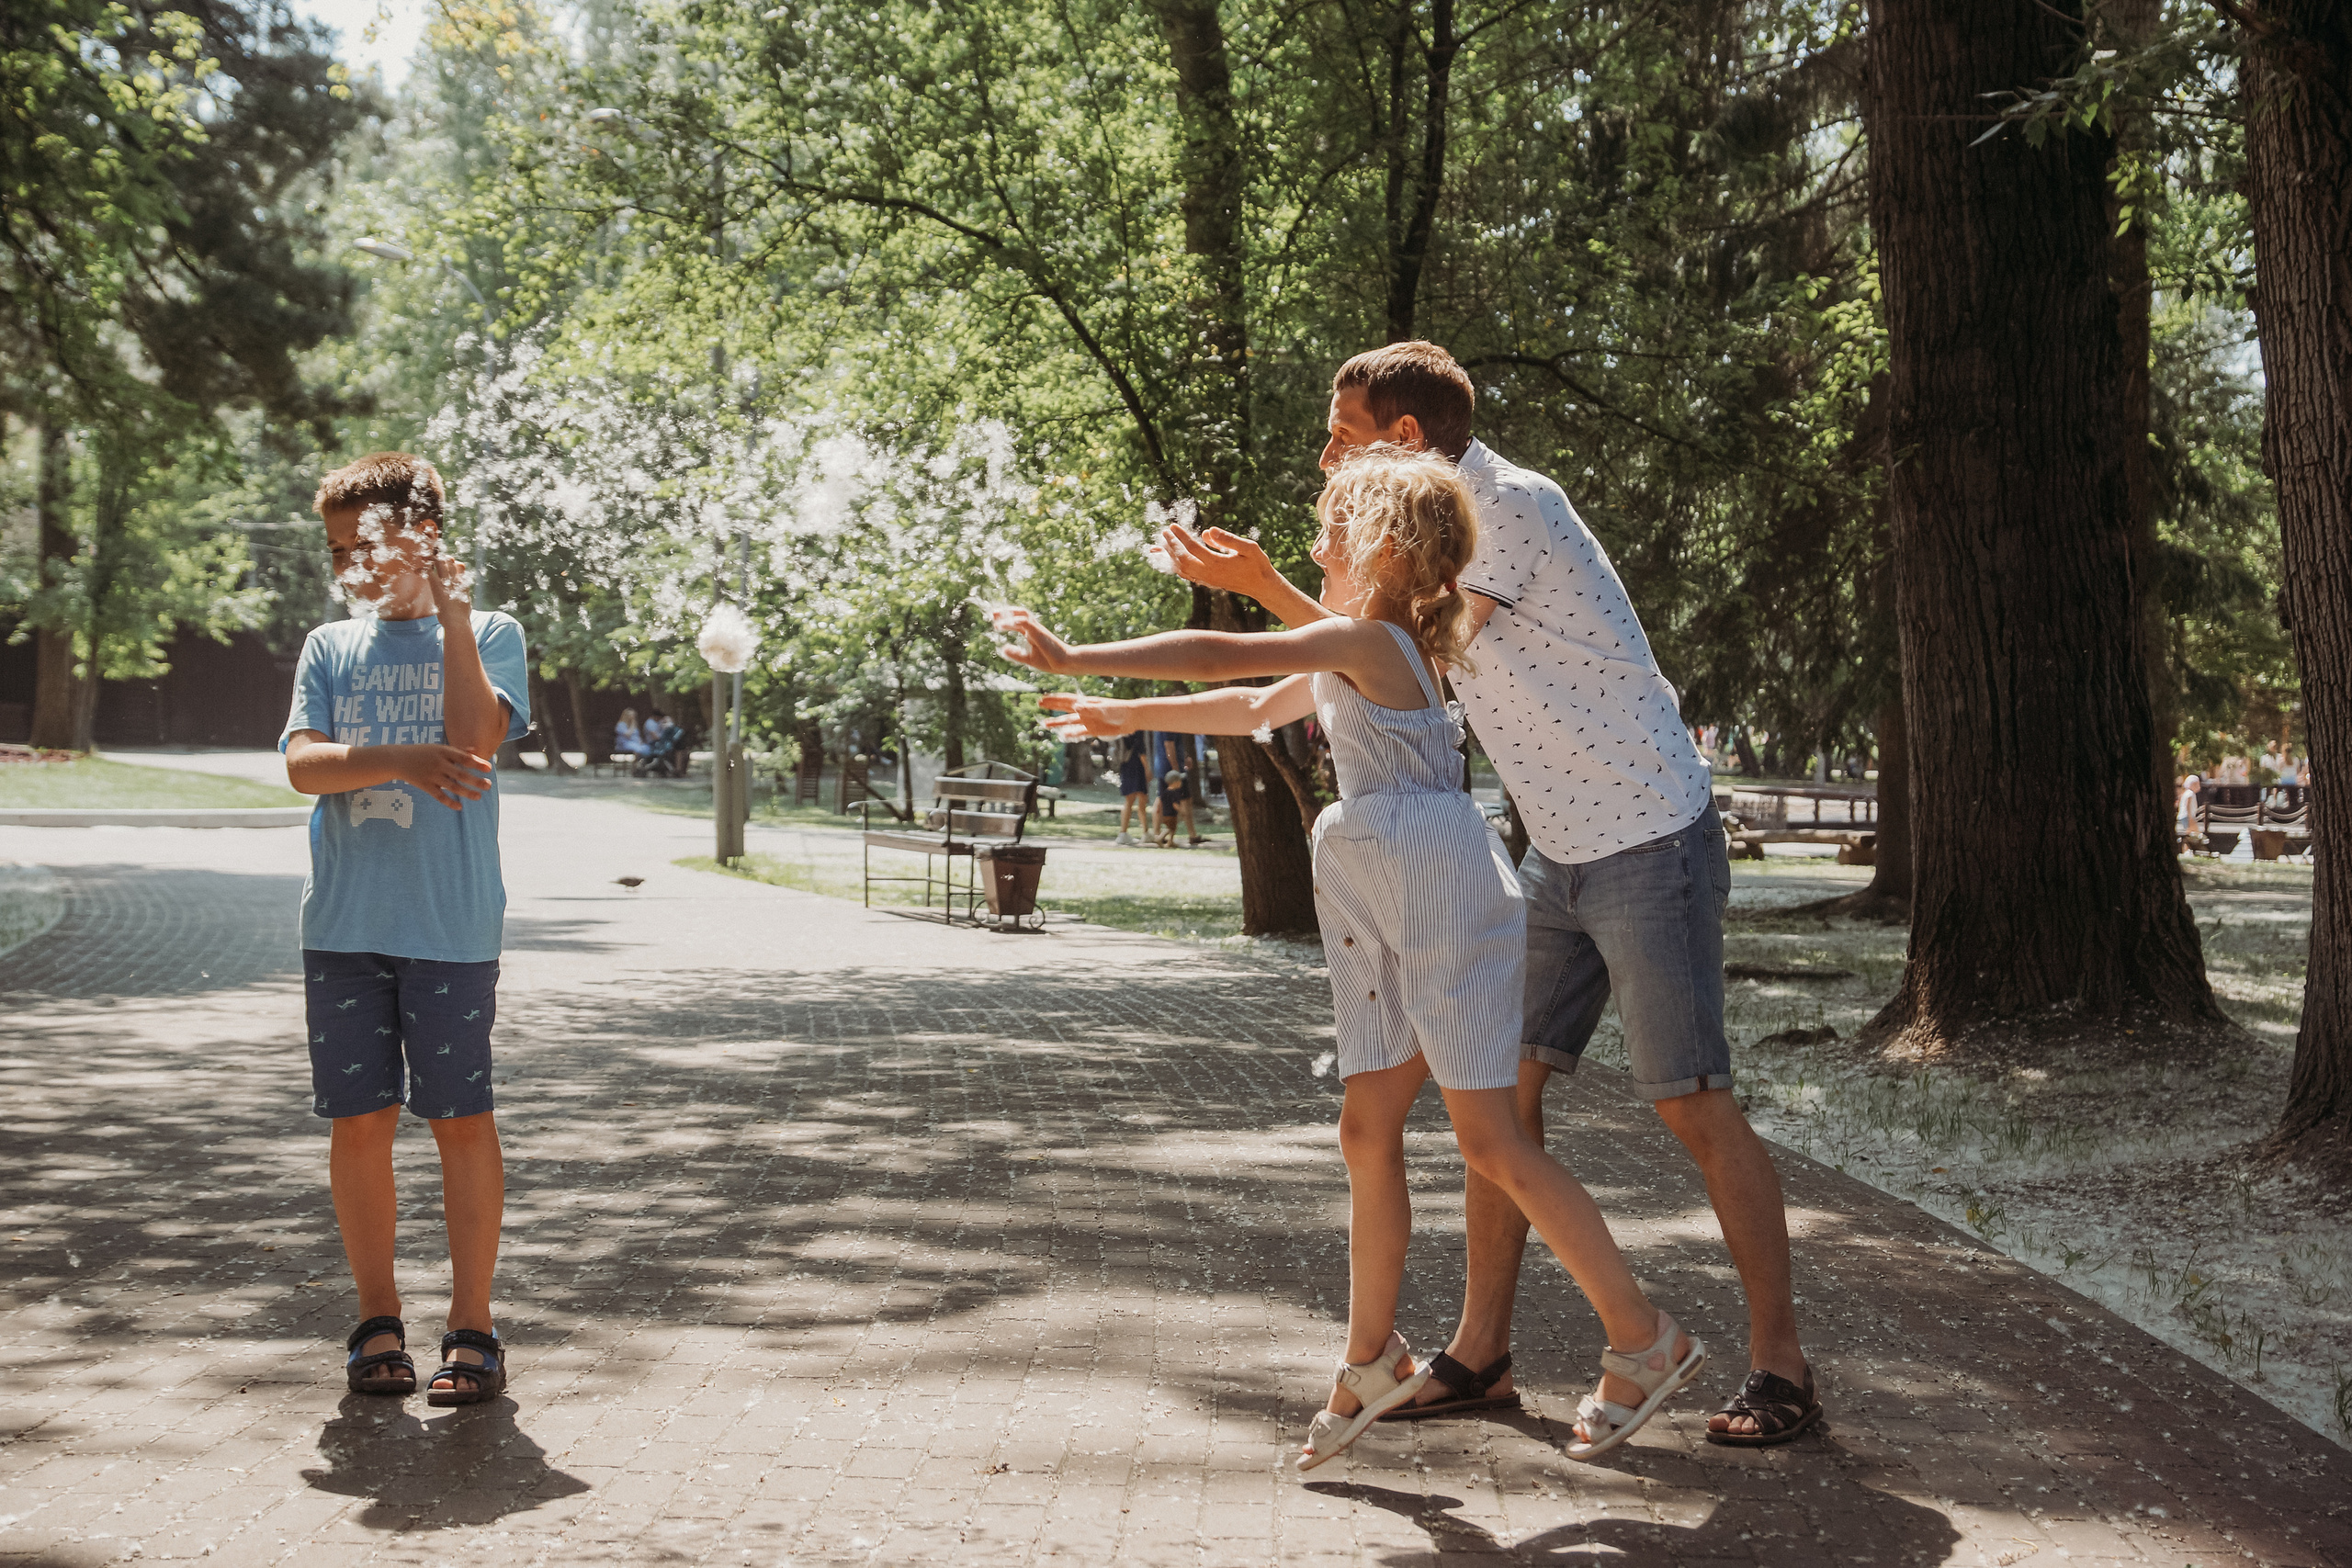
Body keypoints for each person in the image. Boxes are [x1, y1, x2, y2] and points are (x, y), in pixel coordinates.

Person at [1159, 340, 1817, 1446]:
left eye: (1341, 433)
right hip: (1552, 849)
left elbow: (1415, 638)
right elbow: (1353, 656)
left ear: (1404, 438)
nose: (1326, 455)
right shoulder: (1427, 516)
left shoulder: (1497, 507)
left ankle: (1780, 1368)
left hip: (1649, 832)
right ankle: (1480, 1355)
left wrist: (1260, 585)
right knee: (1493, 1101)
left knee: (1689, 1102)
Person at [1004, 446, 1705, 1471]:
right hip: (1375, 881)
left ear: (1382, 545)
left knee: (1490, 1143)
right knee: (1365, 1127)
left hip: (1432, 880)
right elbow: (1248, 709)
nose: (1312, 542)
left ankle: (1644, 1339)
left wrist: (1078, 658)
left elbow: (1220, 658)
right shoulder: (1348, 650)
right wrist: (1123, 714)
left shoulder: (1375, 639)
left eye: (1330, 526)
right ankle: (1370, 1359)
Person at [281, 451, 528, 1407]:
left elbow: (474, 741)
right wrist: (401, 758)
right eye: (339, 550)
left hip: (452, 930)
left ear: (419, 537)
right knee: (360, 1123)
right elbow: (306, 766)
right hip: (343, 928)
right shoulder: (330, 647)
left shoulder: (492, 631)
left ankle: (474, 1325)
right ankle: (377, 1318)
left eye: (367, 546)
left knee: (461, 1120)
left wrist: (456, 617)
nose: (352, 566)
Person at [1114, 734, 1149, 846]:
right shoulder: (1137, 727)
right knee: (1142, 797)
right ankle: (1145, 832)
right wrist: (1147, 768)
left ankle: (1124, 833)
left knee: (1129, 800)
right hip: (1136, 765)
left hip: (1126, 763)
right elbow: (1140, 749)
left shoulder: (1125, 726)